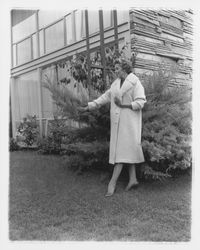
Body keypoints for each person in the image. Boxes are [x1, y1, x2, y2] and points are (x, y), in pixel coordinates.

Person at [79, 60, 146, 197]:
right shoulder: (115, 84)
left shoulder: (135, 82)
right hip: (118, 122)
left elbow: (141, 102)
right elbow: (105, 96)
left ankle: (112, 183)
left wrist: (123, 106)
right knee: (128, 151)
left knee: (121, 153)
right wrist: (89, 106)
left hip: (129, 123)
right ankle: (133, 179)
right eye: (115, 68)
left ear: (125, 68)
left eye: (117, 68)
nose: (115, 71)